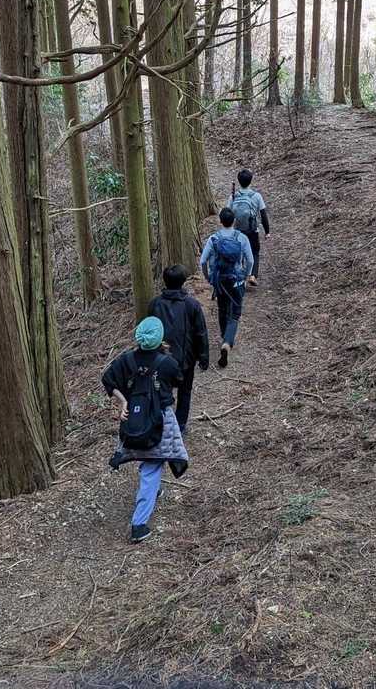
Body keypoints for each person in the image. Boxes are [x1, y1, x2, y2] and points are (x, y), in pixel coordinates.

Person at [102, 317, 189, 543]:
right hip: (159, 423)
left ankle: (154, 491)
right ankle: (139, 525)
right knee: (152, 467)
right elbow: (179, 379)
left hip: (134, 422)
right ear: (159, 338)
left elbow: (108, 379)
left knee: (148, 459)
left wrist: (123, 402)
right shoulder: (167, 363)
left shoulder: (126, 360)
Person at [147, 264, 210, 431]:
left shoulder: (154, 304)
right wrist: (203, 357)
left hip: (159, 358)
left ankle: (162, 423)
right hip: (185, 360)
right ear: (183, 281)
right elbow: (201, 333)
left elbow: (148, 330)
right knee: (185, 391)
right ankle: (180, 425)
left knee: (160, 390)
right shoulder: (192, 304)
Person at [198, 207, 253, 369]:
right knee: (234, 314)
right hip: (236, 281)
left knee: (222, 309)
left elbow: (203, 261)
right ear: (234, 221)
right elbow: (250, 260)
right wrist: (246, 276)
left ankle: (224, 336)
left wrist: (208, 277)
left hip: (220, 281)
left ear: (220, 221)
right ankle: (227, 343)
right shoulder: (241, 238)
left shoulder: (213, 238)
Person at [229, 169, 270, 287]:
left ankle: (240, 276)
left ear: (239, 181)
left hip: (237, 230)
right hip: (252, 230)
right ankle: (252, 275)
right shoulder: (256, 196)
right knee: (255, 252)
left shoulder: (233, 196)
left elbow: (228, 212)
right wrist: (267, 231)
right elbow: (263, 215)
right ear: (250, 181)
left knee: (239, 253)